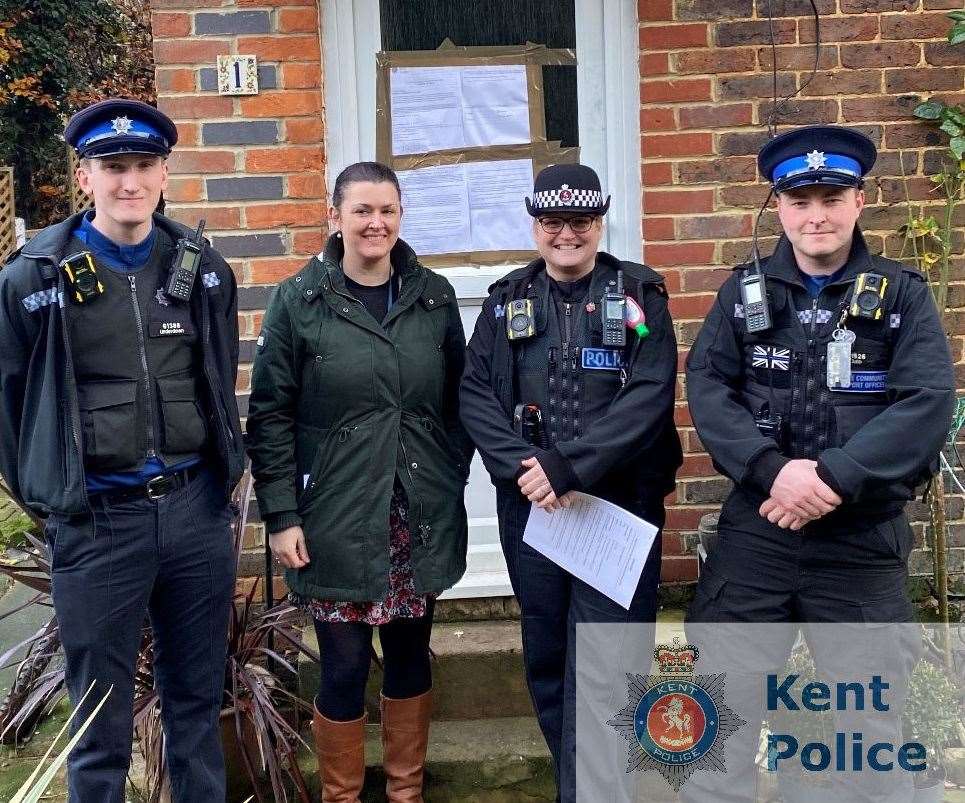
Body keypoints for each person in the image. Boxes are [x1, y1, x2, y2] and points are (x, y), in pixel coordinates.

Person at [683, 125, 956, 801]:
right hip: (758, 533)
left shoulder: (901, 297)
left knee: (868, 727)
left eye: (831, 196)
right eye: (800, 199)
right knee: (720, 717)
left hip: (857, 539)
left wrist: (830, 478)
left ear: (858, 200)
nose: (816, 214)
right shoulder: (740, 296)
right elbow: (707, 390)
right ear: (778, 206)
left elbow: (925, 403)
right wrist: (771, 470)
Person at [0, 98, 244, 801]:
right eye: (112, 167)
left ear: (164, 172)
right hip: (99, 524)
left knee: (196, 705)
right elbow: (9, 409)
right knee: (97, 726)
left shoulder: (202, 272)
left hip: (195, 516)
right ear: (84, 176)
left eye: (142, 165)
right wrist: (53, 498)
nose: (128, 181)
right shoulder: (34, 278)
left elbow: (216, 381)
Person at [246, 161, 472, 803]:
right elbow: (270, 416)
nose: (376, 223)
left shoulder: (434, 297)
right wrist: (283, 514)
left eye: (388, 210)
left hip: (414, 512)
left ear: (400, 216)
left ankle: (406, 792)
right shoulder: (300, 301)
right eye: (362, 210)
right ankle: (341, 795)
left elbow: (462, 399)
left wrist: (451, 466)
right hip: (336, 516)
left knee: (408, 655)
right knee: (343, 664)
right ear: (335, 216)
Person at [459, 163, 682, 802]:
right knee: (548, 657)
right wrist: (527, 469)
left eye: (580, 221)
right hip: (536, 510)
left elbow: (649, 391)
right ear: (536, 226)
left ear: (598, 223)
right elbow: (475, 394)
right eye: (553, 222)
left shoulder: (637, 300)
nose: (566, 234)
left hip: (617, 507)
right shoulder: (506, 301)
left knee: (611, 662)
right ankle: (582, 785)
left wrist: (570, 466)